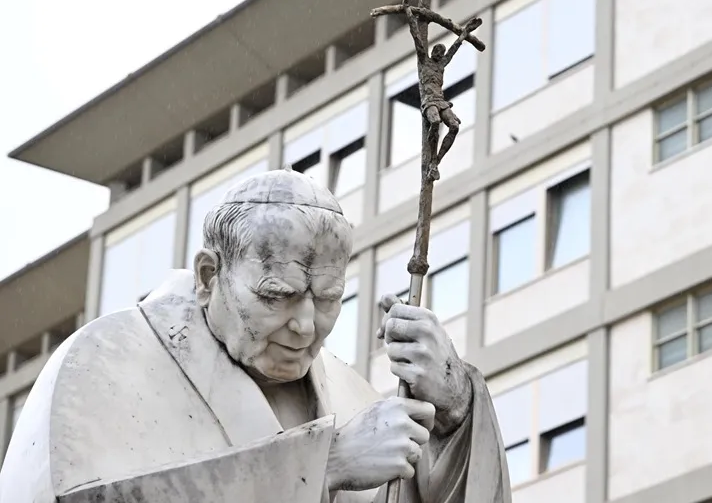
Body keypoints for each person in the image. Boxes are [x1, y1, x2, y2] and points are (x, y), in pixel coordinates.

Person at [0, 169, 510, 503]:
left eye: (328, 298)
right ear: (208, 277)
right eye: (276, 295)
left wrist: (456, 414)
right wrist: (322, 465)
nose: (306, 325)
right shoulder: (104, 362)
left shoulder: (356, 399)